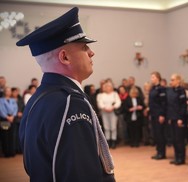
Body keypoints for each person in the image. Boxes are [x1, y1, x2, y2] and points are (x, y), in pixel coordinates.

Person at [17, 7, 115, 181]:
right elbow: (80, 174)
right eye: (84, 47)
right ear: (65, 58)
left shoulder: (38, 99)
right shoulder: (70, 102)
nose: (92, 52)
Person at [167, 74, 187, 165]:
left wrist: (180, 118)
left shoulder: (181, 91)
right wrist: (170, 117)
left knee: (180, 139)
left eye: (173, 80)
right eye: (171, 80)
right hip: (172, 117)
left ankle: (181, 158)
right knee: (174, 139)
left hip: (179, 118)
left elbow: (183, 106)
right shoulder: (170, 90)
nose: (171, 81)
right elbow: (169, 105)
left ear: (178, 81)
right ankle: (177, 157)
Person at [97, 81, 121, 149]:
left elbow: (118, 102)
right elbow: (100, 103)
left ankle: (113, 141)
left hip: (113, 112)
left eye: (109, 86)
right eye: (106, 86)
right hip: (105, 112)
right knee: (106, 127)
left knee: (113, 127)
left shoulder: (115, 94)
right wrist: (104, 108)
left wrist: (113, 107)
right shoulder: (101, 95)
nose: (108, 88)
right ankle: (108, 141)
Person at [149, 71, 167, 160]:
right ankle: (158, 151)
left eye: (153, 77)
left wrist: (162, 115)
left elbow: (163, 103)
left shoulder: (161, 89)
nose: (151, 79)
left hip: (159, 114)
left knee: (160, 134)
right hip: (153, 114)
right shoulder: (153, 88)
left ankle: (162, 153)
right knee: (156, 134)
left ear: (157, 78)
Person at [0, 87, 18, 157]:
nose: (8, 92)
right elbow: (1, 110)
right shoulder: (1, 100)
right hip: (5, 119)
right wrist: (7, 117)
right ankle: (6, 152)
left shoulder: (13, 100)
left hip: (12, 119)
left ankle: (12, 152)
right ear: (4, 92)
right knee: (5, 136)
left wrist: (13, 116)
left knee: (12, 136)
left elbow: (15, 108)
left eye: (9, 91)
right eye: (7, 91)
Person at [11, 87, 24, 154]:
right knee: (14, 135)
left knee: (20, 134)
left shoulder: (20, 99)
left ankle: (20, 149)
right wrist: (16, 113)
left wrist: (21, 113)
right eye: (15, 91)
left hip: (20, 119)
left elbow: (24, 107)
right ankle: (14, 149)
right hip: (13, 119)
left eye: (17, 91)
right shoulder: (10, 99)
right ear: (12, 92)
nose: (16, 93)